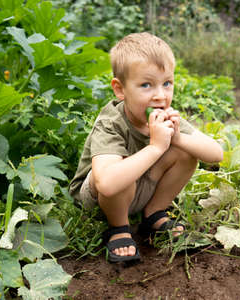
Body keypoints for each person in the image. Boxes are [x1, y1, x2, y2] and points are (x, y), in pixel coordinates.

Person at [69, 32, 223, 263]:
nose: (160, 96)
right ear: (120, 89)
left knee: (186, 152)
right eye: (146, 85)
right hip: (100, 199)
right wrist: (154, 148)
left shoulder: (165, 118)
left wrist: (177, 138)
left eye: (167, 83)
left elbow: (216, 154)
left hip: (139, 189)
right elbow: (107, 183)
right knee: (121, 170)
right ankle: (119, 227)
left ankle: (153, 214)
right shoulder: (111, 122)